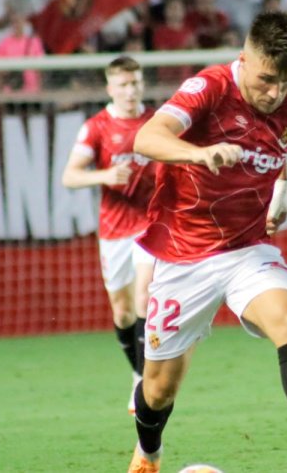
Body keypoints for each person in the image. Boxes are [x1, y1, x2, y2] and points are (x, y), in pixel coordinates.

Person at [125, 12, 287, 473]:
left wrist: (282, 187)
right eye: (266, 80)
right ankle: (148, 455)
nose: (274, 93)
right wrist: (200, 153)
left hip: (247, 249)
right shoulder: (210, 88)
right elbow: (147, 137)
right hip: (185, 255)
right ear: (245, 58)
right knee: (158, 390)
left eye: (285, 81)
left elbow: (278, 147)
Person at [62, 56, 159, 414]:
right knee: (122, 312)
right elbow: (70, 176)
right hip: (114, 229)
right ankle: (137, 372)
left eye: (135, 83)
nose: (130, 91)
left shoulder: (157, 121)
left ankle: (145, 380)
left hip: (150, 224)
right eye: (123, 85)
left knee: (144, 296)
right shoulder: (97, 127)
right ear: (110, 88)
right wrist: (104, 176)